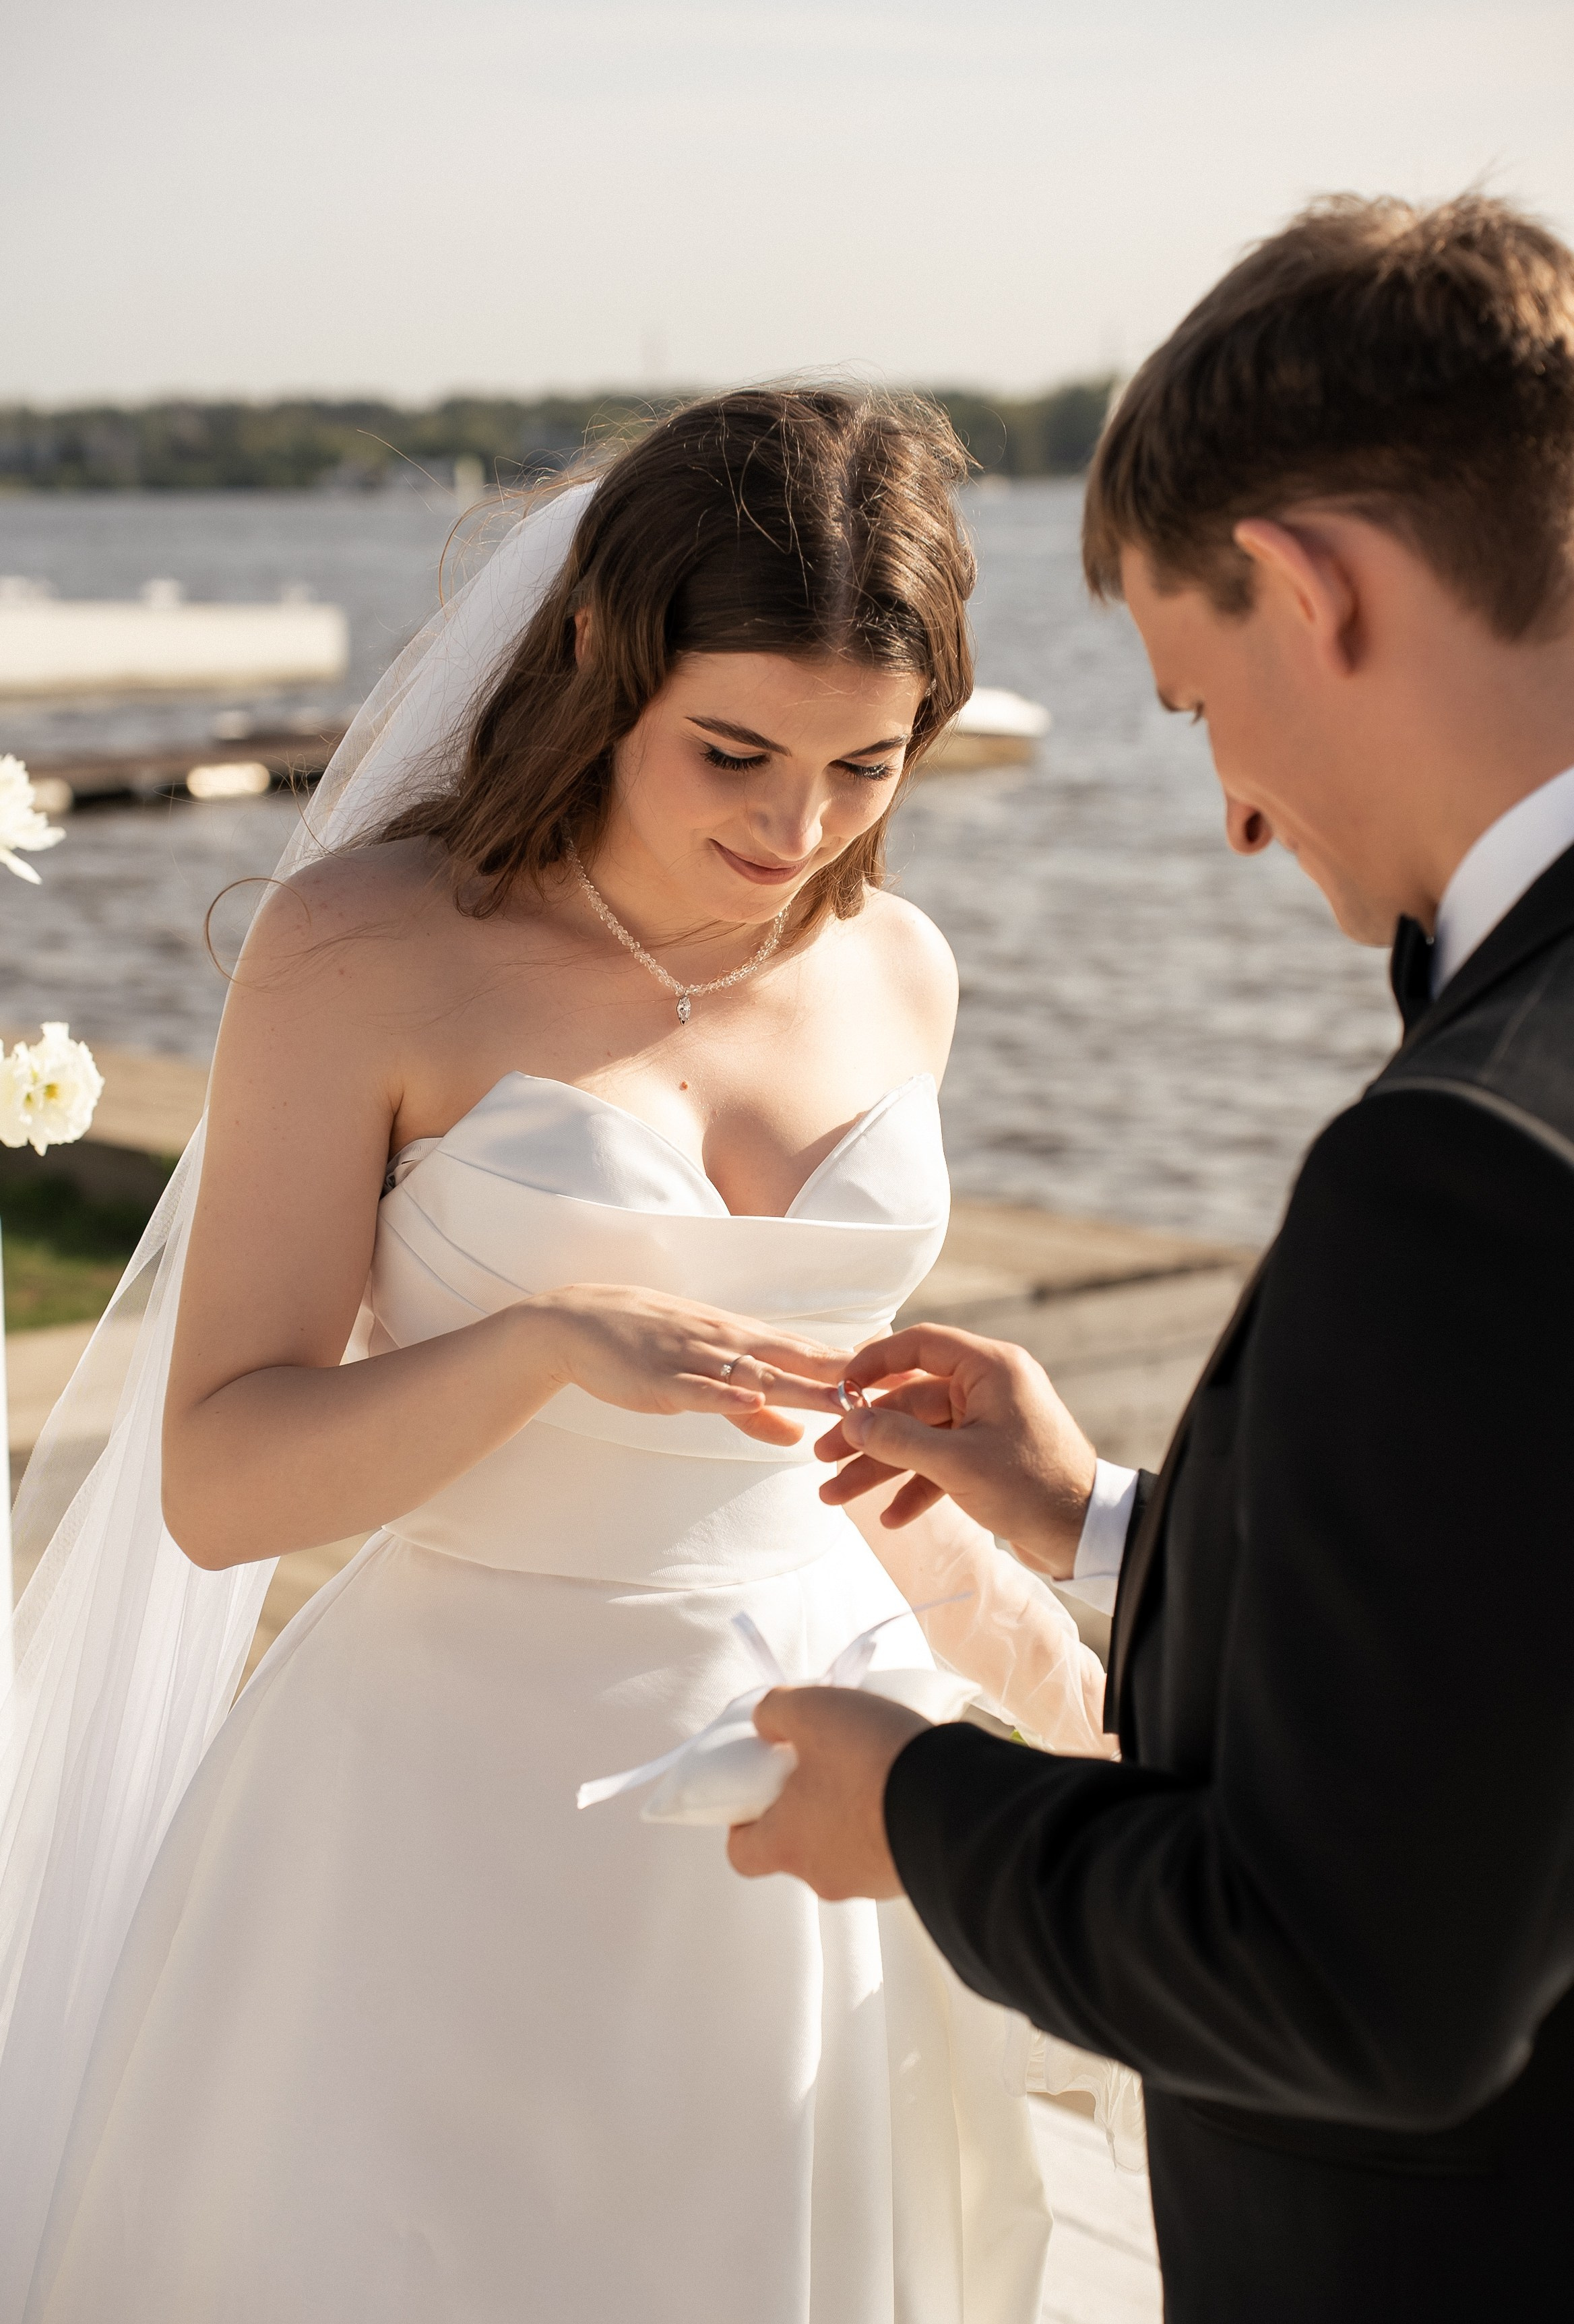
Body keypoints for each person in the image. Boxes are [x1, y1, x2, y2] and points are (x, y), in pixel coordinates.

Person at [0, 389, 1117, 2323]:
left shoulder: (902, 968)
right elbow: (222, 1478)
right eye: (737, 750)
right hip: (442, 1793)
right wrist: (540, 1342)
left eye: (869, 765)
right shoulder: (365, 948)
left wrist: (1079, 1667)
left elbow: (837, 1457)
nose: (796, 829)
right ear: (605, 650)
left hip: (816, 1769)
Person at [730, 196, 1574, 2320]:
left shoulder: (1463, 1163)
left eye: (1197, 702)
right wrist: (1111, 1526)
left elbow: (1359, 1981)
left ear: (1307, 586)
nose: (1231, 815)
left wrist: (919, 1807)